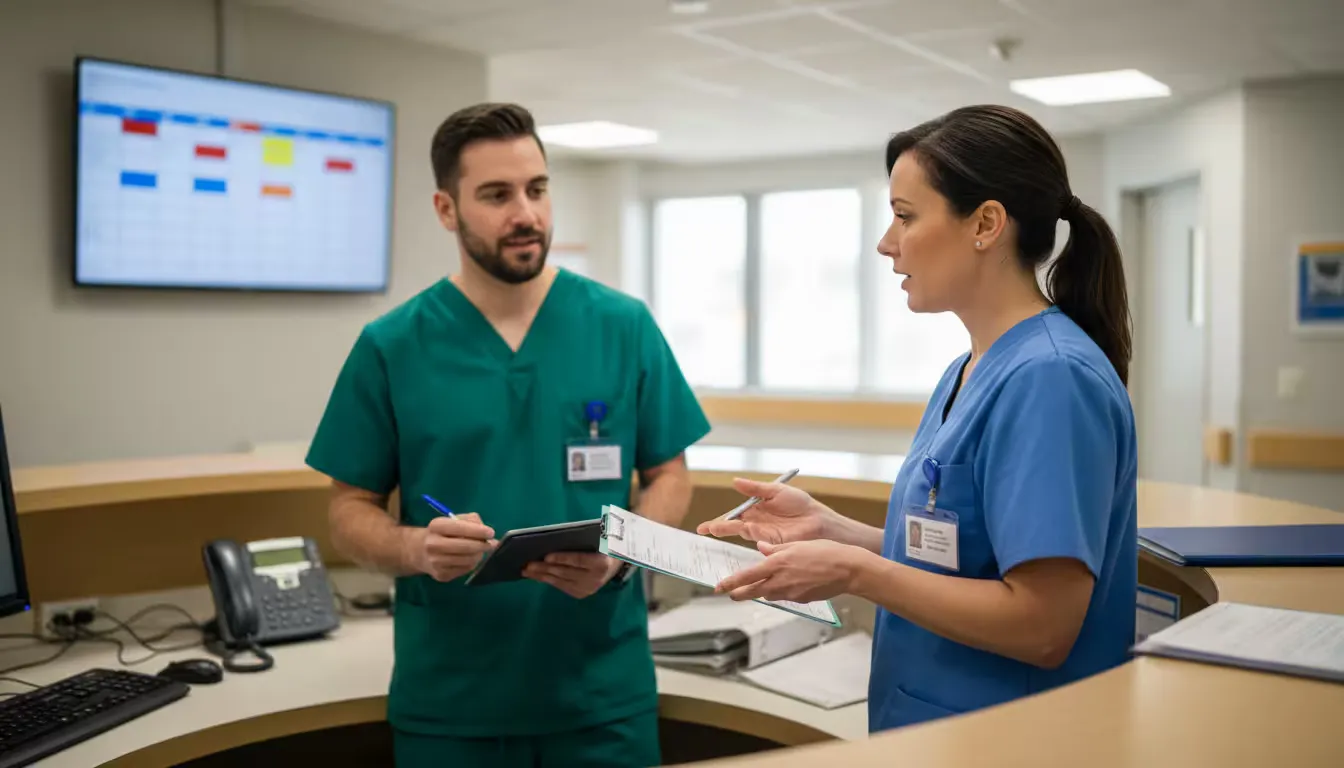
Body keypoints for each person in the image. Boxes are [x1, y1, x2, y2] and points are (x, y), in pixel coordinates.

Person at [700, 104, 1138, 732]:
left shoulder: (1051, 376)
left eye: (905, 216)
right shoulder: (972, 368)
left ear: (986, 224)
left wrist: (856, 572)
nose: (886, 243)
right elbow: (965, 561)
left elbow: (1042, 625)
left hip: (1011, 738)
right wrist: (834, 534)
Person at [306, 102, 710, 767]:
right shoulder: (392, 346)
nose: (526, 212)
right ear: (446, 210)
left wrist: (622, 553)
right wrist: (416, 548)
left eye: (537, 189)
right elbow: (348, 511)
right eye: (497, 195)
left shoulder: (623, 325)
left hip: (602, 699)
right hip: (453, 706)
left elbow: (670, 475)